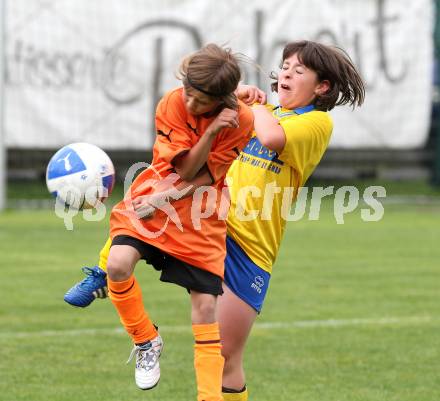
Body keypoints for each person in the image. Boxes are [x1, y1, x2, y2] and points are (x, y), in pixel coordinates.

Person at [65, 40, 365, 401]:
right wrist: (235, 95)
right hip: (207, 218)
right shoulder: (257, 107)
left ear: (322, 87)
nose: (286, 72)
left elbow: (270, 137)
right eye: (285, 65)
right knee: (150, 199)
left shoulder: (317, 122)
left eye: (299, 70)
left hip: (249, 246)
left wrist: (248, 103)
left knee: (226, 356)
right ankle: (104, 274)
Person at [85, 43, 254, 401]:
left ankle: (209, 398)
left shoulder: (244, 121)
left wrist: (213, 134)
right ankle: (145, 339)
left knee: (206, 307)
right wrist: (208, 133)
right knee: (116, 264)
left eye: (202, 100)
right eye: (189, 92)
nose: (191, 103)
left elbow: (207, 176)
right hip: (152, 199)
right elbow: (184, 168)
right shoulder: (171, 103)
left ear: (223, 98)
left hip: (200, 215)